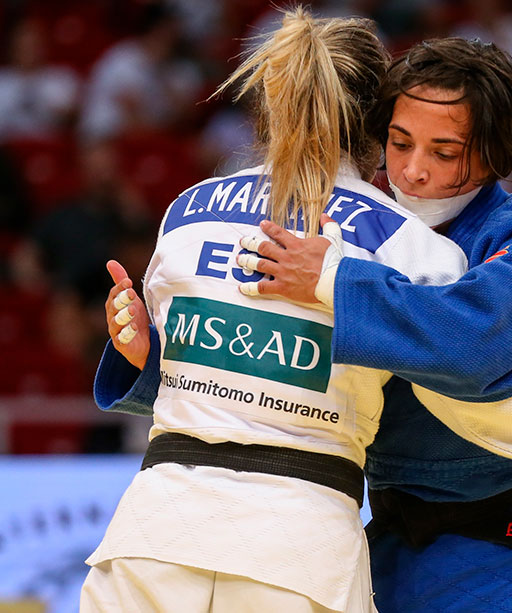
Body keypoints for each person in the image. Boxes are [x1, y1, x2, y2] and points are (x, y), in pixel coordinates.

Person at [94, 35, 512, 613]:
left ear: (497, 151)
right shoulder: (368, 228)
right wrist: (156, 362)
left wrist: (333, 282)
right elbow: (278, 377)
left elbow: (467, 362)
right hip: (392, 545)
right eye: (400, 143)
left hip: (507, 547)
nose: (412, 171)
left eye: (444, 153)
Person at [81, 9, 474, 612]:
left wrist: (147, 361)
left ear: (267, 110)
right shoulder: (417, 250)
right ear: (380, 120)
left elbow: (199, 377)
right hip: (298, 547)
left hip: (152, 534)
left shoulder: (189, 210)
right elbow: (461, 388)